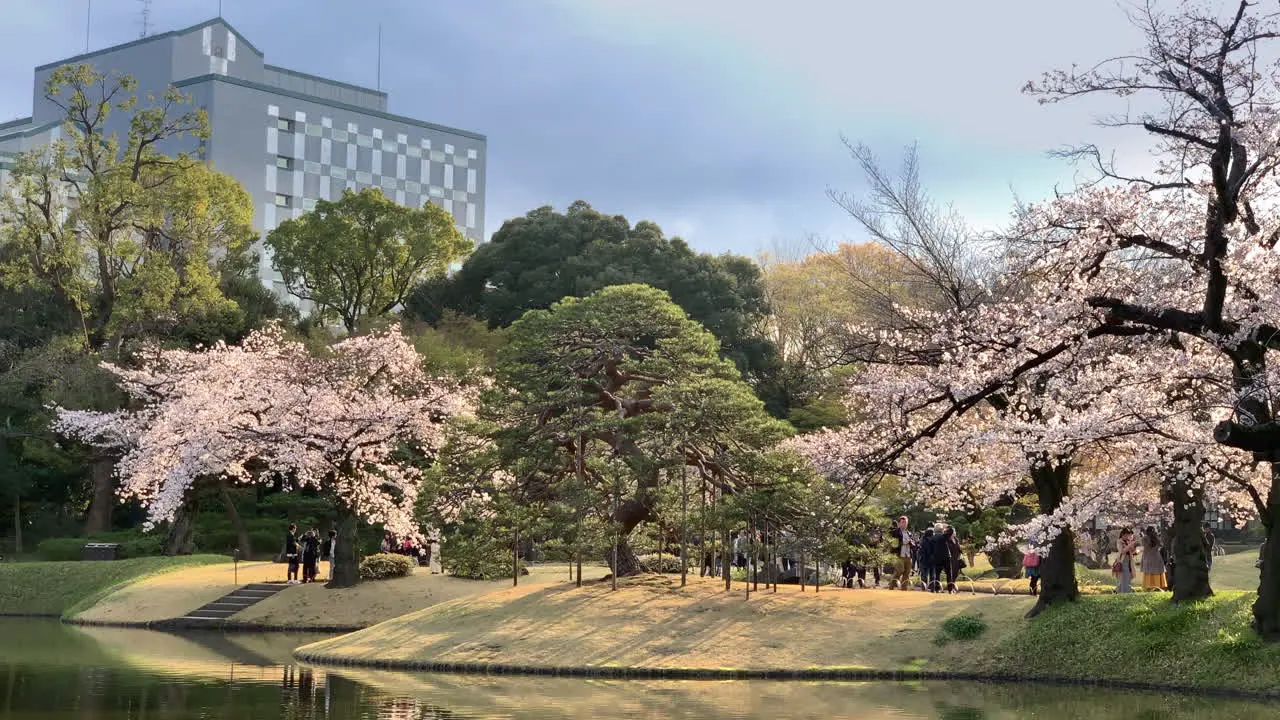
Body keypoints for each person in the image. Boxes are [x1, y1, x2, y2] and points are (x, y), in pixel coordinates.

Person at [889, 516, 914, 590]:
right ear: (899, 523)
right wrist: (903, 542)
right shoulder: (895, 532)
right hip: (899, 555)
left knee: (907, 573)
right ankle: (891, 586)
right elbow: (893, 543)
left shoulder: (909, 533)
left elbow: (912, 541)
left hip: (908, 554)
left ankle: (904, 588)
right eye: (902, 522)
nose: (904, 524)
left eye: (906, 522)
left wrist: (912, 543)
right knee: (899, 570)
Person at [1140, 526, 1166, 591]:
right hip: (1152, 557)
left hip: (1153, 558)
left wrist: (1155, 538)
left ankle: (1154, 588)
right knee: (1152, 573)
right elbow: (1148, 546)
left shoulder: (1153, 538)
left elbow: (1161, 545)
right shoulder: (1146, 538)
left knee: (1153, 573)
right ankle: (1153, 587)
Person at [1114, 527, 1137, 593]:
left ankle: (1120, 591)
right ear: (1123, 534)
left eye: (1128, 535)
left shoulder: (1128, 541)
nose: (1128, 536)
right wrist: (1129, 545)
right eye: (1127, 535)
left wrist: (1133, 546)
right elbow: (1122, 551)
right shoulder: (1119, 541)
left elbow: (1132, 551)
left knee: (1128, 576)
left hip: (1129, 560)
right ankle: (1123, 591)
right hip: (1122, 561)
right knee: (1124, 576)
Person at [943, 526, 963, 593]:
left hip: (956, 558)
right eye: (954, 531)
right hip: (950, 559)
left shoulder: (956, 539)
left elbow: (958, 547)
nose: (955, 532)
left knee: (955, 574)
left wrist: (961, 553)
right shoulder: (947, 540)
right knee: (950, 574)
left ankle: (953, 585)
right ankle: (950, 588)